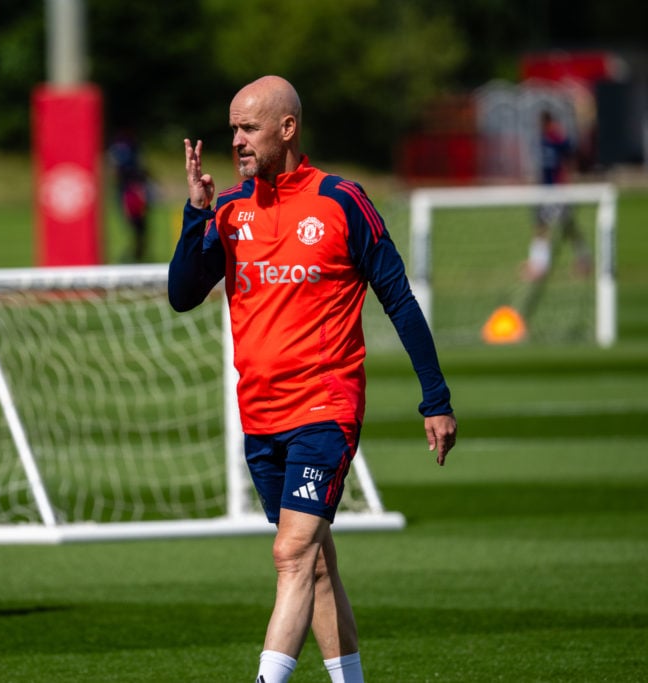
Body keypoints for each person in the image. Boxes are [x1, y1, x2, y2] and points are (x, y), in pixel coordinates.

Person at [168, 76, 457, 683]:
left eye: (248, 128)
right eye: (233, 131)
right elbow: (182, 294)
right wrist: (196, 212)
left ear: (287, 128)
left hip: (325, 407)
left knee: (290, 555)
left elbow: (399, 299)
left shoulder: (342, 201)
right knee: (316, 564)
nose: (237, 142)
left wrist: (435, 398)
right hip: (260, 415)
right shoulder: (229, 209)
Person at [524, 109, 591, 283]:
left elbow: (572, 160)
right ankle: (538, 265)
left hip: (559, 191)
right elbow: (540, 168)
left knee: (568, 228)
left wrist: (569, 183)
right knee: (541, 226)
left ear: (547, 123)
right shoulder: (540, 141)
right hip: (544, 191)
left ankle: (583, 259)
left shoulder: (558, 139)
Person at [108, 129, 152, 262]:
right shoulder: (131, 150)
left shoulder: (122, 150)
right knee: (137, 225)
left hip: (131, 190)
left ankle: (137, 251)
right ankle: (136, 251)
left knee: (137, 224)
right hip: (131, 190)